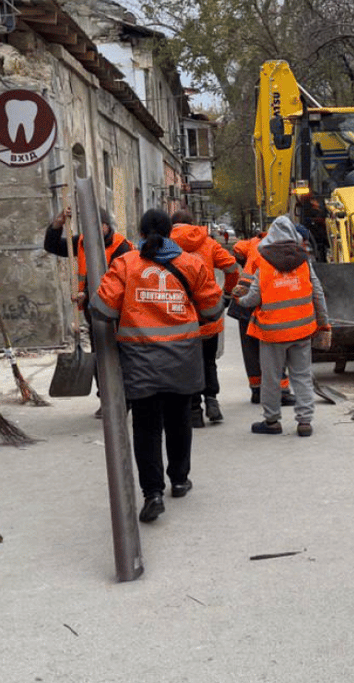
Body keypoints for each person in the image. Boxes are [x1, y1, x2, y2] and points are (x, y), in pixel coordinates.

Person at [92, 209, 225, 523]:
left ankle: (152, 492)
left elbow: (102, 310)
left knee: (146, 426)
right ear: (170, 232)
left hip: (140, 359)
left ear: (139, 231)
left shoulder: (126, 264)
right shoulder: (191, 264)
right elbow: (214, 308)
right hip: (183, 357)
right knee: (179, 419)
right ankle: (179, 480)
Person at [234, 216, 330, 437]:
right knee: (302, 376)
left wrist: (239, 299)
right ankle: (305, 422)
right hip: (302, 330)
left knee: (271, 378)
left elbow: (253, 299)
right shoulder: (304, 260)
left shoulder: (263, 262)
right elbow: (317, 293)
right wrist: (324, 323)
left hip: (272, 333)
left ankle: (272, 421)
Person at [44, 206, 132, 416]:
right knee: (99, 356)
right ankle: (107, 399)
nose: (93, 230)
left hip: (120, 314)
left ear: (106, 226)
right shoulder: (81, 242)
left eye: (97, 226)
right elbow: (52, 246)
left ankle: (126, 398)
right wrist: (58, 224)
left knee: (122, 357)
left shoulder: (122, 247)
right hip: (94, 313)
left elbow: (120, 282)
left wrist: (90, 294)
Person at [171, 210, 240, 427]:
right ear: (192, 223)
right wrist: (226, 294)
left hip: (178, 314)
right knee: (208, 360)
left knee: (186, 363)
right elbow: (231, 267)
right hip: (207, 311)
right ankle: (212, 400)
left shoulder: (166, 245)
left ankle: (193, 411)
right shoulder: (208, 243)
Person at [231, 230, 292, 406]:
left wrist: (245, 263)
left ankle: (257, 390)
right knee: (273, 343)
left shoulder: (254, 242)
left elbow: (237, 249)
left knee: (250, 348)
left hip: (243, 295)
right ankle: (282, 390)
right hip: (265, 296)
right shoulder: (282, 249)